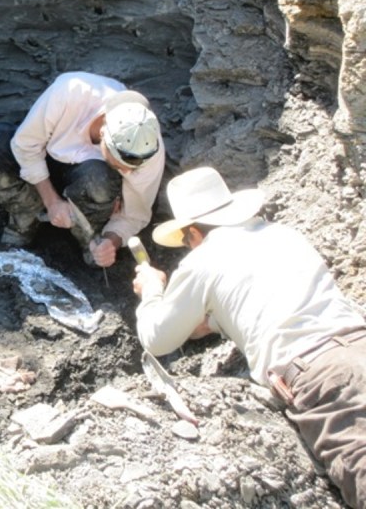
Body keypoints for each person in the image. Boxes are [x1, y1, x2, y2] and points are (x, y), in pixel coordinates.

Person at [133, 166, 366, 508]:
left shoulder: (203, 261)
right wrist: (216, 323)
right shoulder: (284, 234)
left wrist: (152, 292)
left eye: (186, 240)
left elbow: (156, 339)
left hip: (319, 376)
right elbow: (264, 302)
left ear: (193, 233)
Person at [0, 72, 164, 267]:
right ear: (104, 131)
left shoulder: (147, 149)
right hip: (42, 154)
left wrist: (111, 241)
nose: (125, 170)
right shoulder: (70, 92)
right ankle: (28, 208)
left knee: (99, 181)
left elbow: (135, 215)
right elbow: (25, 144)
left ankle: (88, 236)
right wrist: (51, 202)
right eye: (117, 163)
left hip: (86, 180)